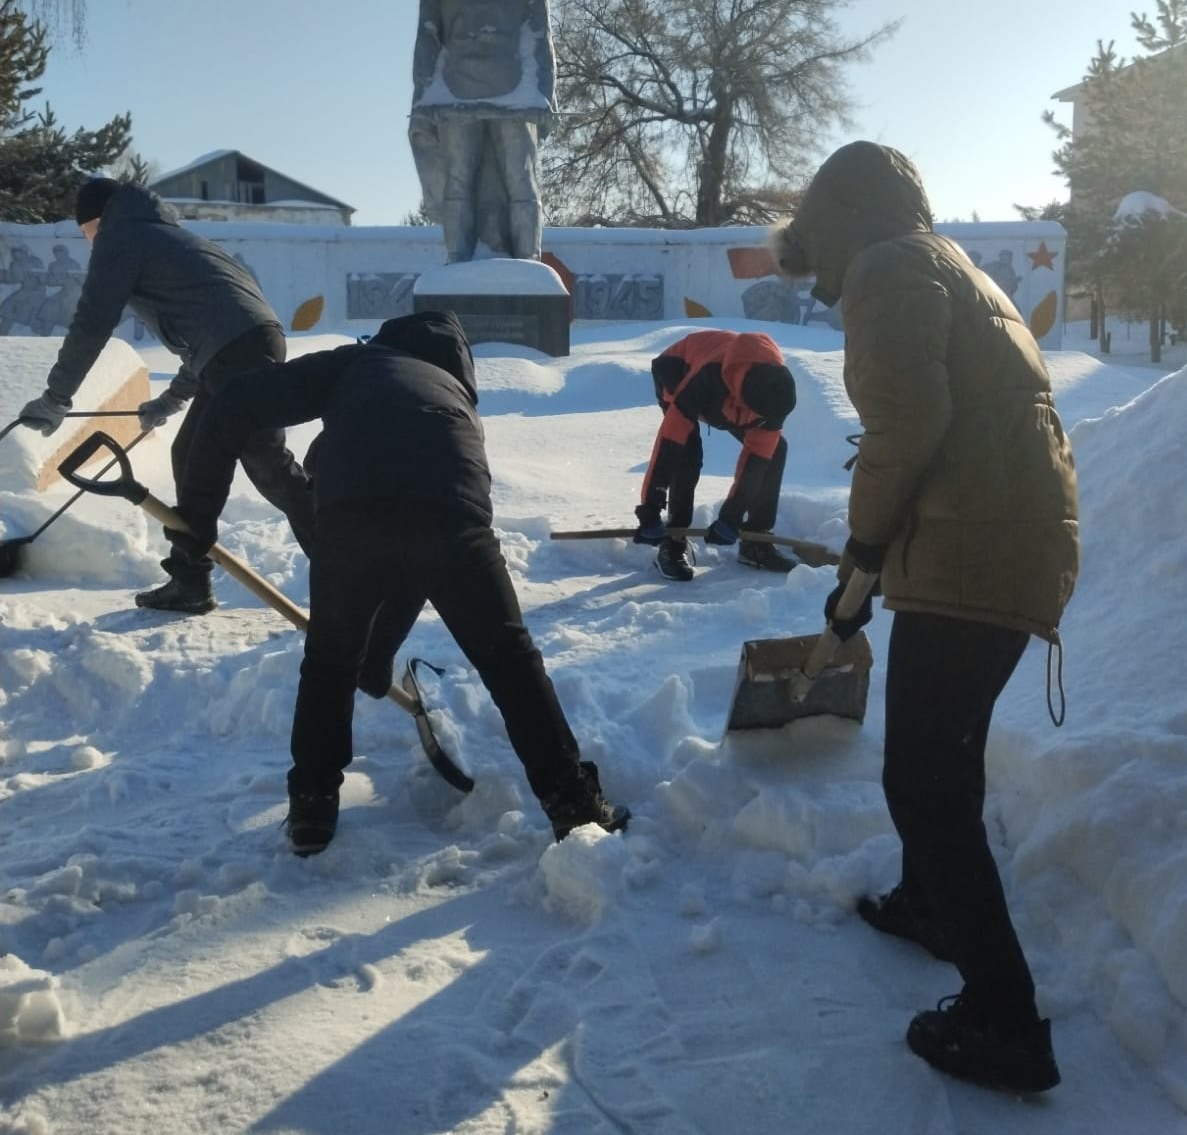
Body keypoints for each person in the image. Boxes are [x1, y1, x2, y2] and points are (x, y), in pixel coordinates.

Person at [771, 141, 1079, 1094]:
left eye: (814, 257)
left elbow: (906, 426)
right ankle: (931, 905)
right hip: (997, 541)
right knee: (939, 763)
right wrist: (875, 569)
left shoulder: (886, 268)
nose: (821, 283)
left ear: (836, 222)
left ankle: (1005, 1022)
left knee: (925, 782)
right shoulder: (942, 263)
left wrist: (864, 548)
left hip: (976, 549)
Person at [167, 309, 629, 856]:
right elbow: (417, 562)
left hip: (352, 518)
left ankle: (313, 809)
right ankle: (572, 804)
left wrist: (197, 520)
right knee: (509, 659)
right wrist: (378, 655)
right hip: (452, 520)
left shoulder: (358, 363)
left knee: (328, 663)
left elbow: (236, 400)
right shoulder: (454, 396)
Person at [18, 177, 316, 613]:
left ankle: (357, 564)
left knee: (268, 465)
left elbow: (92, 322)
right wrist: (173, 399)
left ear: (99, 219)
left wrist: (56, 397)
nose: (90, 244)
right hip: (245, 346)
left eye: (86, 233)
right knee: (191, 454)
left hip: (238, 353)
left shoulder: (122, 236)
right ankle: (190, 579)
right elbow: (210, 328)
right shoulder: (165, 235)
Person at [408, 0, 556, 263]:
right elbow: (428, 34)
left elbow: (538, 37)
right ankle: (457, 265)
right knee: (457, 185)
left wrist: (544, 94)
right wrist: (424, 93)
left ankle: (529, 265)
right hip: (457, 95)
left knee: (522, 184)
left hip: (515, 95)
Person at [633, 330, 797, 581]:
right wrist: (650, 510)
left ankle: (756, 539)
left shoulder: (777, 391)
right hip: (678, 371)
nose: (761, 422)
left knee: (775, 450)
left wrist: (732, 515)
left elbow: (756, 460)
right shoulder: (705, 381)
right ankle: (673, 543)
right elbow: (668, 447)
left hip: (730, 392)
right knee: (686, 455)